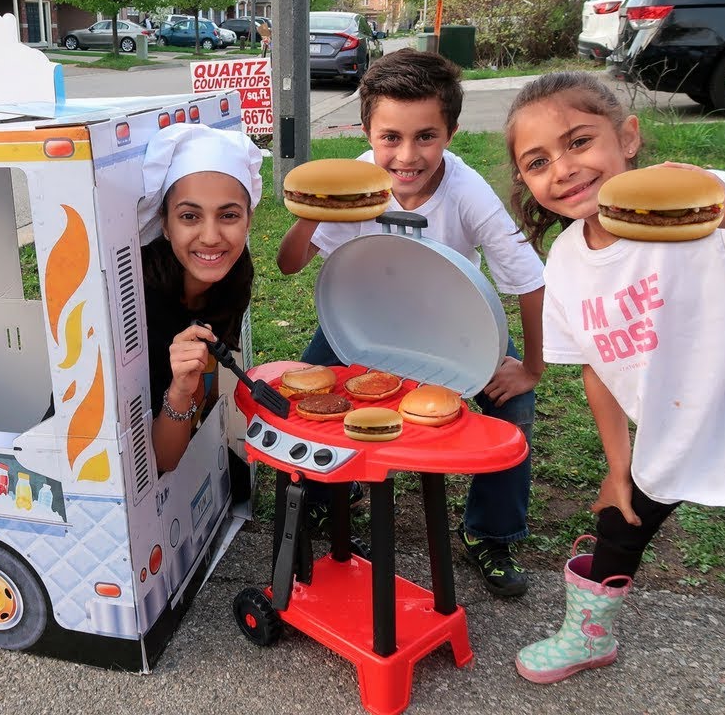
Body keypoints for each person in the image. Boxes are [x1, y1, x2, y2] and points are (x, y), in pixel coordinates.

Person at [504, 71, 725, 715]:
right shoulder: (565, 260)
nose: (563, 168)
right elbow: (597, 367)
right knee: (618, 522)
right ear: (527, 182)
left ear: (629, 137)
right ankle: (588, 636)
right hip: (680, 426)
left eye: (579, 141)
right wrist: (619, 468)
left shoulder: (709, 209)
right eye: (538, 162)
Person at [276, 49, 546, 598]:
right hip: (365, 320)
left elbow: (528, 279)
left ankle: (490, 533)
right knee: (314, 395)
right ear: (367, 131)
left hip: (449, 323)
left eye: (426, 136)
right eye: (390, 138)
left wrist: (532, 367)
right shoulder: (353, 183)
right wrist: (313, 211)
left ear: (451, 131)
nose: (406, 155)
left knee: (511, 405)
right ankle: (330, 500)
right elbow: (289, 263)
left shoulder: (469, 195)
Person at [137, 123, 263, 473]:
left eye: (228, 215)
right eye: (190, 216)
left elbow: (205, 389)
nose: (210, 237)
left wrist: (195, 402)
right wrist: (181, 392)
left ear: (249, 219)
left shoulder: (234, 278)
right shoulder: (134, 303)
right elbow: (161, 462)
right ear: (164, 223)